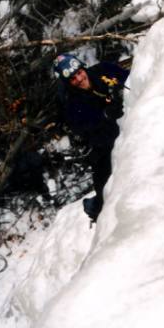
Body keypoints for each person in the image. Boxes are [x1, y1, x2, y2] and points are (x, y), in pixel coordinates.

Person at [53, 53, 129, 222]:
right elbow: (84, 127)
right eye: (73, 79)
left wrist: (120, 91)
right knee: (105, 190)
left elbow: (132, 76)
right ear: (68, 83)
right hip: (103, 145)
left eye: (79, 73)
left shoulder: (103, 70)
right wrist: (106, 114)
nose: (79, 79)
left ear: (83, 68)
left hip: (131, 123)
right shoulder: (72, 104)